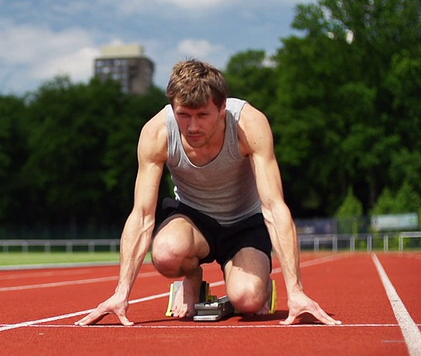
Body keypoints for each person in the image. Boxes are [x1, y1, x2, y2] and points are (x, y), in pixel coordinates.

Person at [76, 59, 341, 326]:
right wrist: (121, 294)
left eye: (202, 115)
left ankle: (261, 284)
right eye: (183, 115)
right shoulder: (157, 133)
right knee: (166, 252)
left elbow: (274, 207)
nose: (192, 127)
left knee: (247, 299)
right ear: (173, 106)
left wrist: (296, 291)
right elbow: (142, 215)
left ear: (222, 107)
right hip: (194, 220)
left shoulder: (249, 125)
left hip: (244, 223)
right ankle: (193, 278)